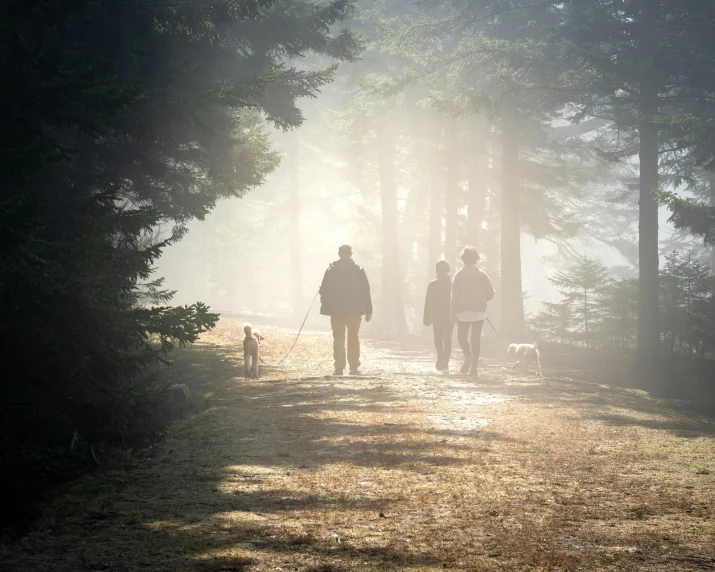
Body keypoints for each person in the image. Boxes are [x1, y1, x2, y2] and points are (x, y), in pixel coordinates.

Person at [319, 245, 373, 376]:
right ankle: (353, 365)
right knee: (353, 337)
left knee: (338, 337)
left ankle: (339, 367)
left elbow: (324, 290)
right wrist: (368, 310)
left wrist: (324, 301)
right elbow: (366, 290)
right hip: (354, 310)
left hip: (336, 311)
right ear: (351, 254)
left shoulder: (331, 270)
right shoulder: (358, 270)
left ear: (339, 254)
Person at [450, 246, 495, 378]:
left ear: (463, 259)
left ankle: (468, 356)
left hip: (463, 312)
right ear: (476, 259)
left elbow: (454, 297)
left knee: (461, 338)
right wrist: (484, 299)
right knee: (476, 340)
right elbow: (491, 292)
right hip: (479, 312)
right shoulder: (481, 274)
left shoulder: (459, 275)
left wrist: (453, 314)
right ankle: (474, 368)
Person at [423, 260, 453, 373]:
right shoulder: (450, 284)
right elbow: (428, 302)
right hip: (445, 315)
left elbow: (428, 302)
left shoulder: (434, 284)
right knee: (446, 339)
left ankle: (442, 358)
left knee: (439, 338)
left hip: (440, 315)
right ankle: (444, 362)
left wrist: (426, 317)